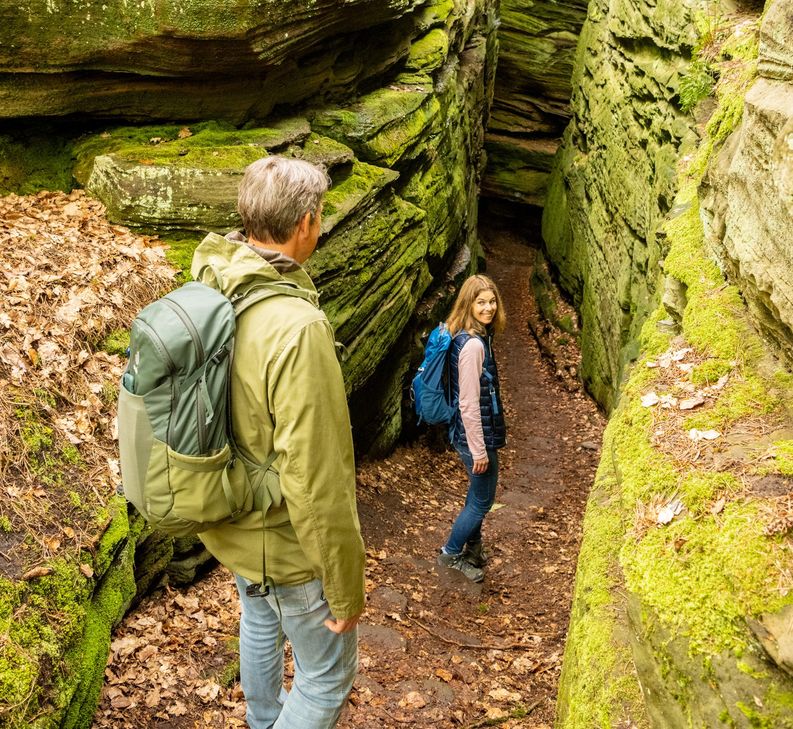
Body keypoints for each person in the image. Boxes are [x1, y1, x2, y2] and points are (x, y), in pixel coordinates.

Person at [190, 156, 366, 728]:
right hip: (281, 538)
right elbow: (316, 475)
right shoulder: (296, 327)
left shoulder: (213, 280)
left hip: (231, 516)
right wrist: (343, 583)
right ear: (306, 224)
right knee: (326, 677)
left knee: (259, 619)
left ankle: (263, 721)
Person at [437, 274, 507, 583]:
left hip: (471, 432)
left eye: (492, 301)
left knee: (477, 497)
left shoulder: (467, 335)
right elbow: (468, 402)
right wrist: (479, 450)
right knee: (482, 501)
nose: (489, 308)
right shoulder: (473, 346)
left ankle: (474, 548)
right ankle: (451, 554)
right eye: (481, 302)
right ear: (469, 303)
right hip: (474, 436)